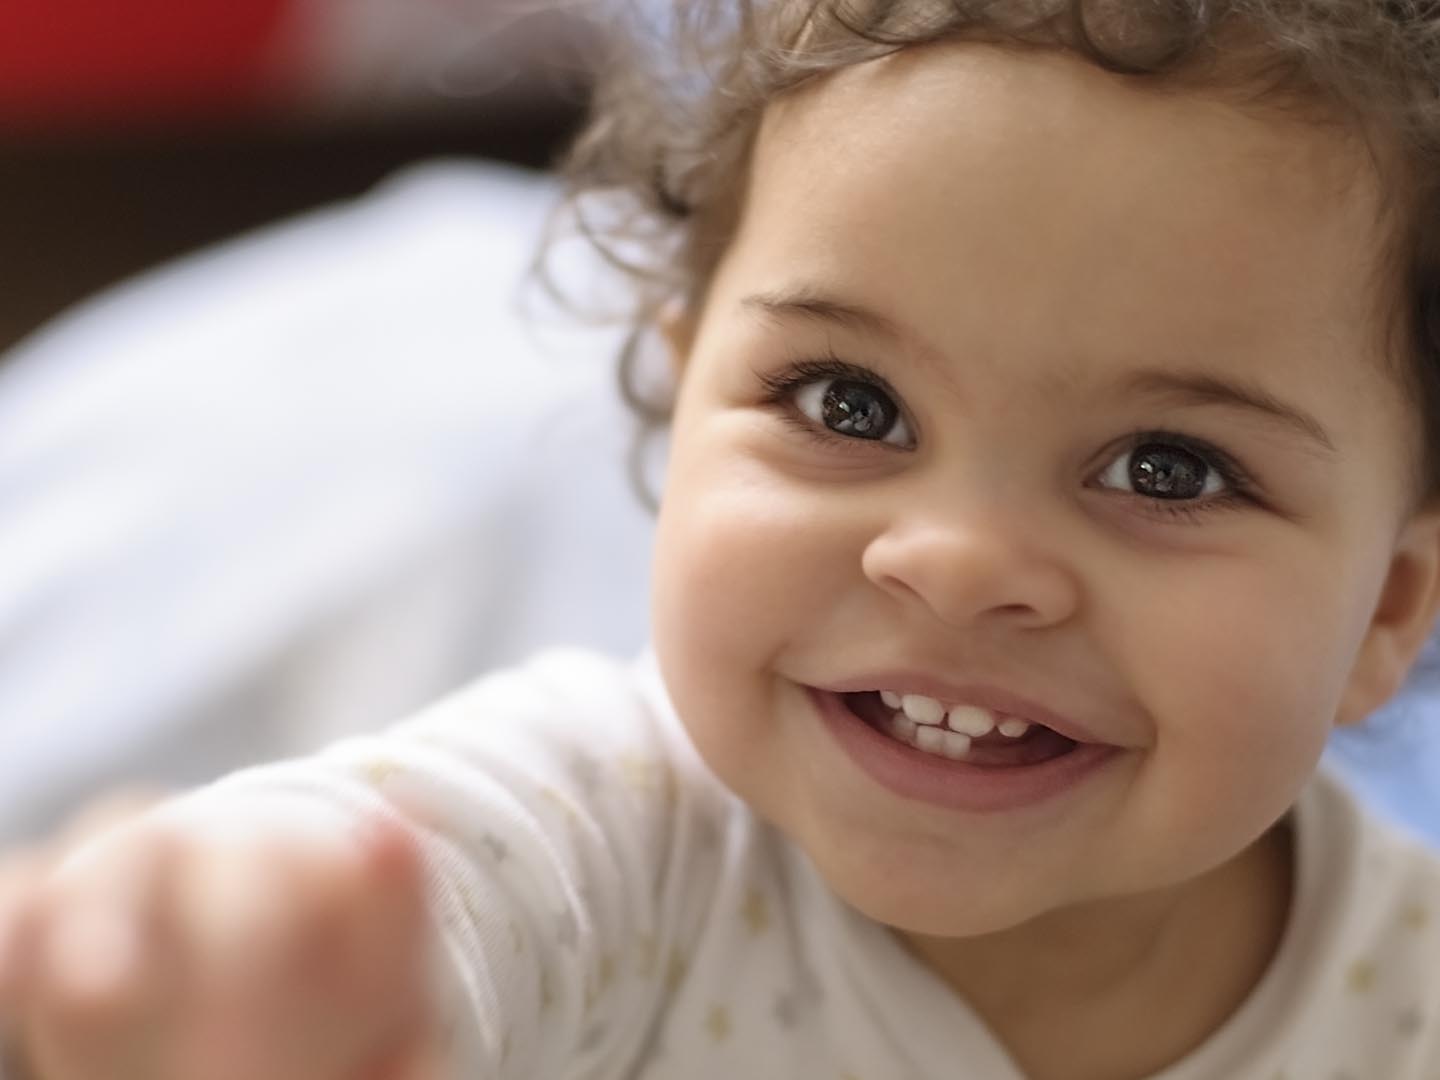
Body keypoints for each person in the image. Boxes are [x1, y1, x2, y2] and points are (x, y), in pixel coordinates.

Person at [5, 0, 1440, 1077]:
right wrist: (229, 938)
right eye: (849, 402)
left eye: (1167, 467)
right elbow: (401, 876)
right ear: (683, 394)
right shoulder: (609, 845)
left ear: (1389, 605)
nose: (953, 561)